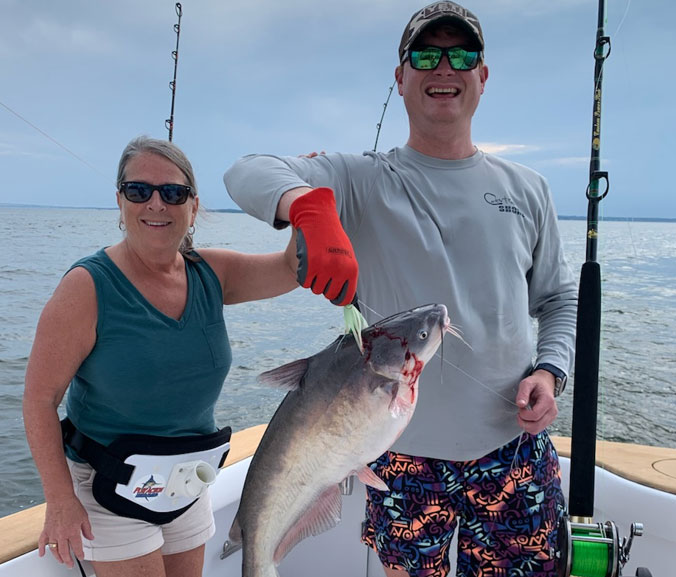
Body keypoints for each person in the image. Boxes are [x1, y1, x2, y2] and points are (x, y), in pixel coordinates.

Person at [223, 2, 577, 576]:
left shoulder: (528, 189)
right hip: (400, 461)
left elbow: (560, 300)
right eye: (425, 54)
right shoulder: (360, 178)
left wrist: (550, 371)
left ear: (482, 76)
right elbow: (247, 171)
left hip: (513, 451)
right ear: (401, 76)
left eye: (462, 55)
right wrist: (309, 208)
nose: (445, 67)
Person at [22, 135, 343, 577]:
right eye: (140, 190)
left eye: (173, 193)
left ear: (193, 207)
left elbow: (293, 269)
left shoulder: (211, 272)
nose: (157, 204)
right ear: (120, 201)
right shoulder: (86, 287)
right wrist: (59, 500)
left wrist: (302, 193)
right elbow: (39, 399)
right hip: (108, 485)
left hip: (187, 479)